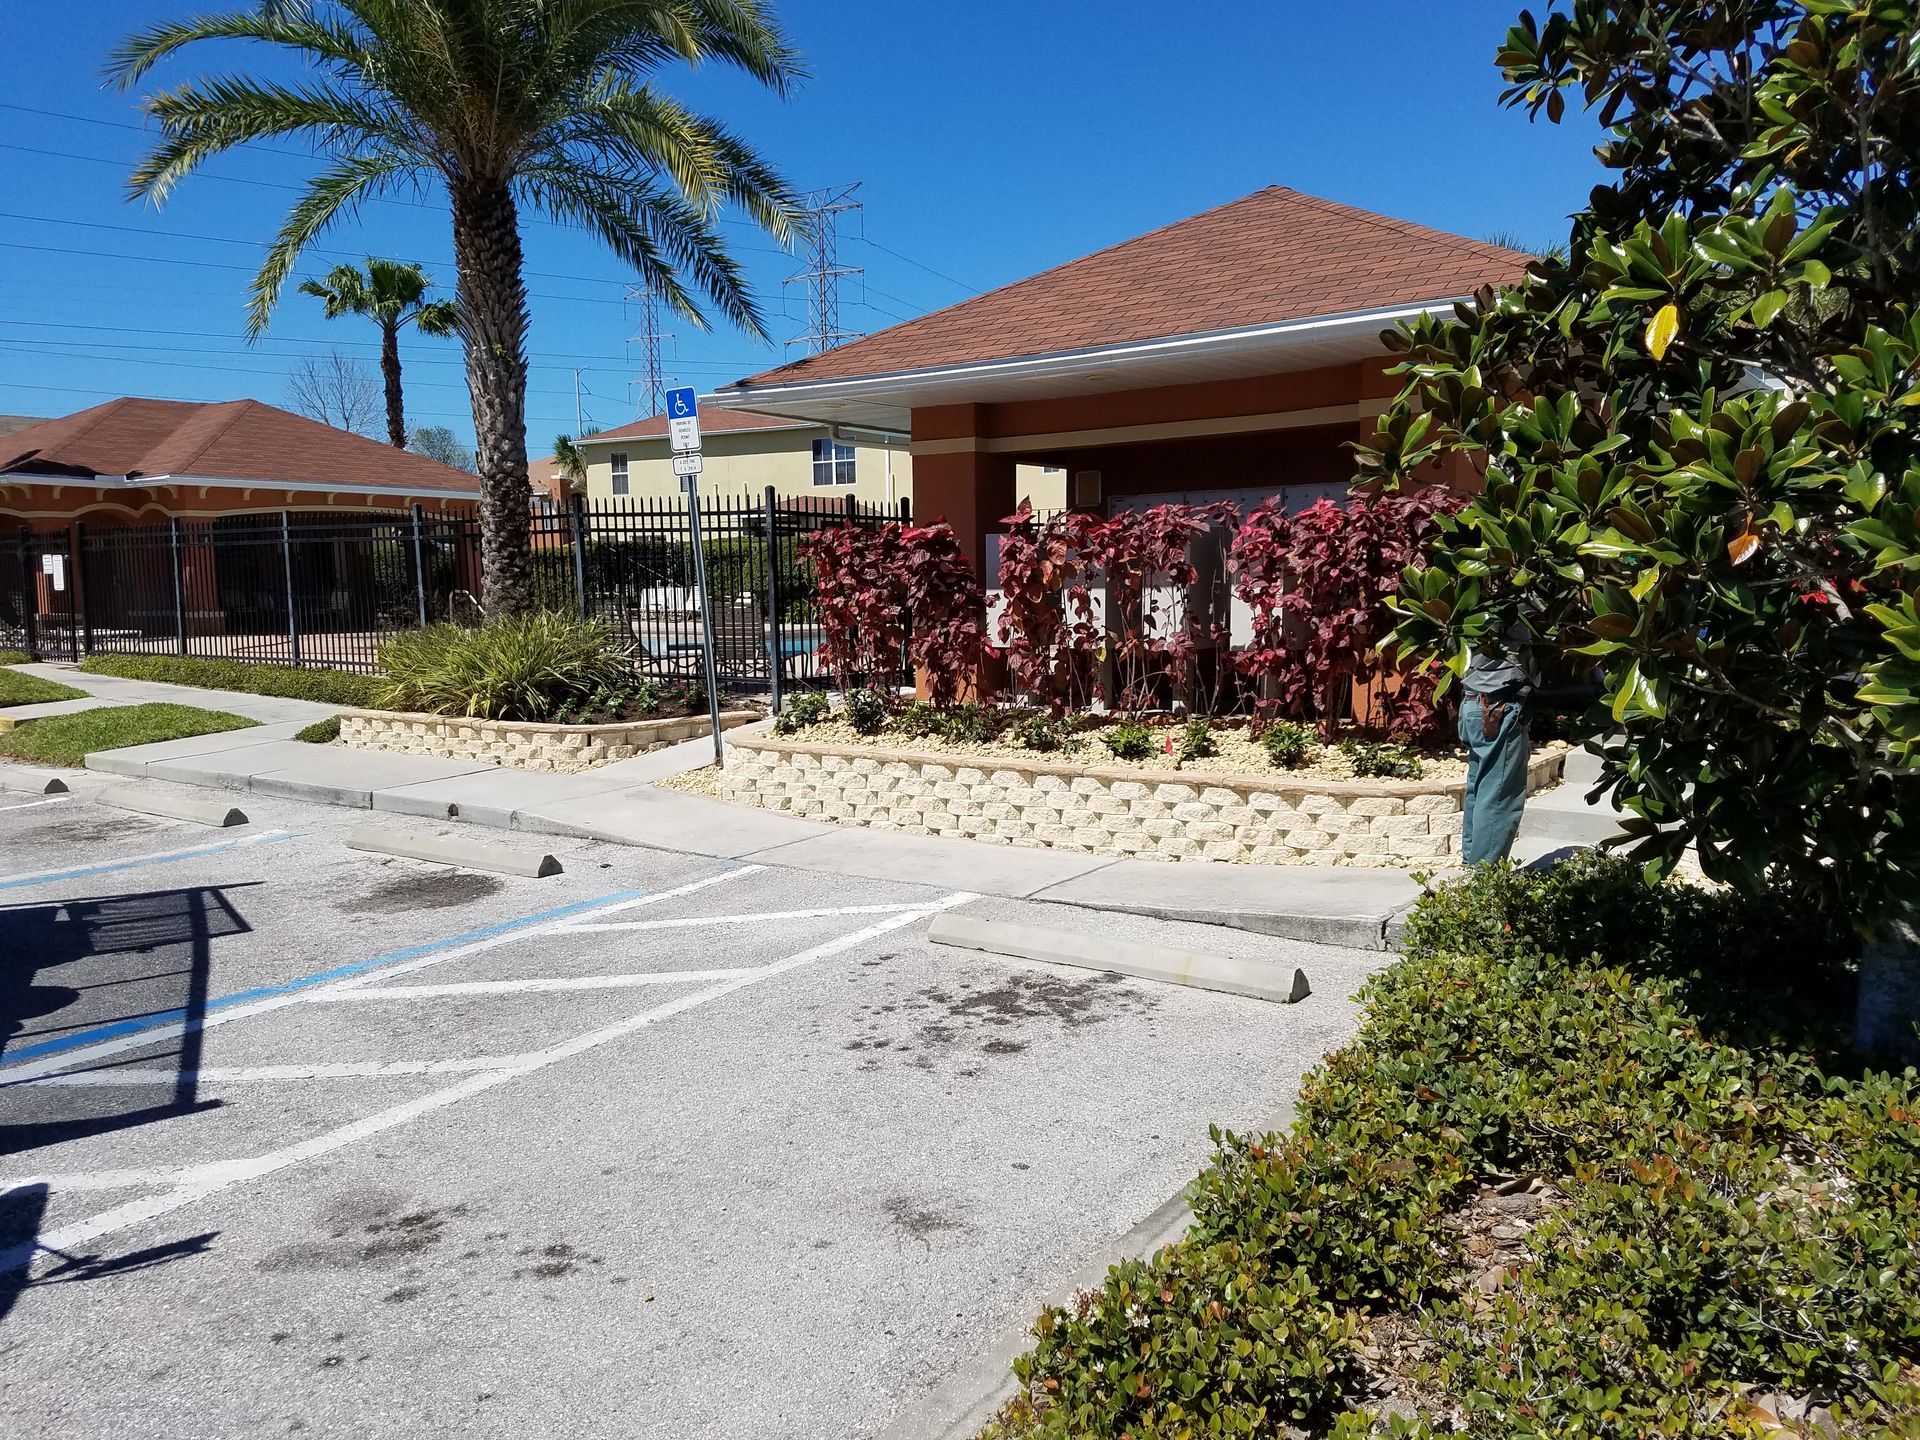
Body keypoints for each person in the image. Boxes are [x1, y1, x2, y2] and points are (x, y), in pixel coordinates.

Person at [1458, 620, 1536, 865]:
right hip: (1498, 709)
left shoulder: (1469, 607)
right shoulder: (1516, 605)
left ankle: (1473, 866)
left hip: (1472, 702)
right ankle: (1484, 881)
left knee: (1481, 787)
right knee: (1500, 795)